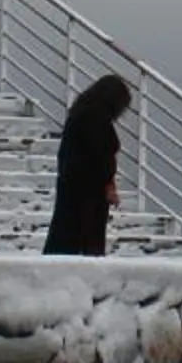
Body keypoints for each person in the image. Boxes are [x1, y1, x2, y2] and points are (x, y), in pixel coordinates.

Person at [43, 74, 133, 256]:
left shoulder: (81, 113)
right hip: (88, 193)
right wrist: (108, 183)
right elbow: (100, 155)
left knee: (64, 239)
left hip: (73, 187)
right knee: (84, 243)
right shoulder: (96, 118)